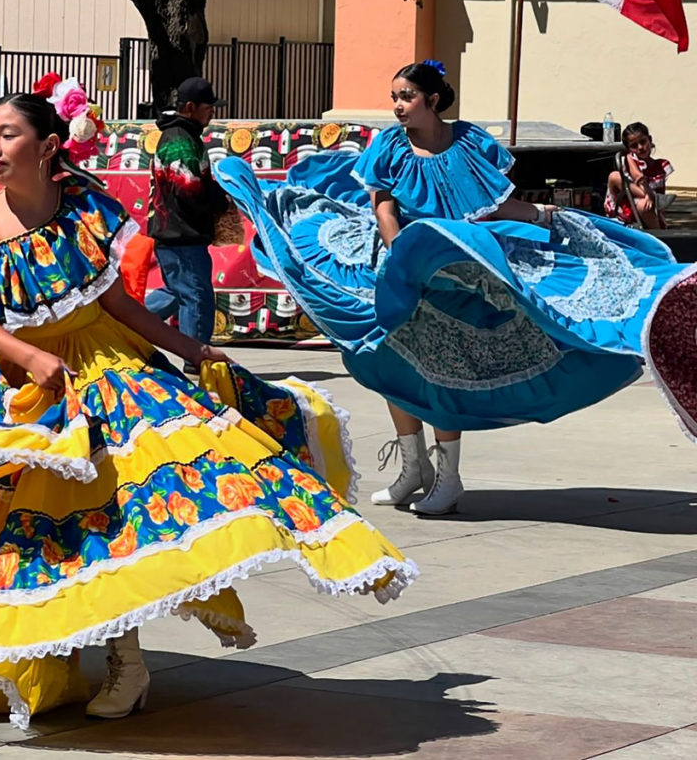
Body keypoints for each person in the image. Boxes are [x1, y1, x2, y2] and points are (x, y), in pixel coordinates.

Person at [0, 78, 417, 728]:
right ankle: (18, 649)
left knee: (130, 501)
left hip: (99, 363)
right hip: (13, 374)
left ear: (45, 144)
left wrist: (190, 347)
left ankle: (126, 659)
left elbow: (119, 303)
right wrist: (34, 358)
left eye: (5, 135)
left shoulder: (86, 211)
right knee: (5, 521)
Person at [215, 61, 681, 516]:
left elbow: (497, 206)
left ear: (432, 100)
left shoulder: (469, 143)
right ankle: (412, 469)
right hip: (403, 261)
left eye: (407, 97)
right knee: (390, 360)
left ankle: (448, 478)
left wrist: (546, 218)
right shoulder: (389, 147)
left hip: (459, 269)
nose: (398, 106)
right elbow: (383, 207)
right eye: (394, 97)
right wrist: (401, 252)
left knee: (441, 367)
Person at [145, 77, 231, 369]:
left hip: (175, 232)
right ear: (191, 107)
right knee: (196, 296)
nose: (213, 114)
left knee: (176, 292)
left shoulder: (184, 135)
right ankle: (196, 359)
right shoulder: (180, 139)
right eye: (209, 108)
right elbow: (189, 187)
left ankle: (124, 323)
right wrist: (220, 202)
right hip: (181, 233)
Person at [605, 121, 674, 229]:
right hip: (629, 210)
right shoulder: (630, 160)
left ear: (650, 140)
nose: (640, 147)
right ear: (628, 149)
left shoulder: (660, 166)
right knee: (614, 176)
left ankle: (659, 235)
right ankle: (652, 196)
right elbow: (637, 176)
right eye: (634, 146)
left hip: (651, 210)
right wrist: (647, 194)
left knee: (644, 205)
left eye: (643, 142)